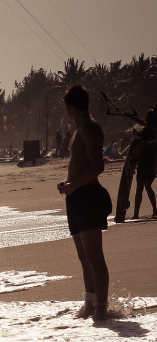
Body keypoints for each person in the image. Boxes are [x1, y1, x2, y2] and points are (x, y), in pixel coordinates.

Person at [57, 85, 112, 322]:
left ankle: (101, 306)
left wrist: (74, 185)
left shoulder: (89, 128)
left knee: (94, 256)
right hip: (77, 196)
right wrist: (68, 184)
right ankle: (90, 301)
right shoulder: (80, 128)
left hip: (87, 196)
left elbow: (97, 165)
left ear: (69, 106)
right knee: (83, 256)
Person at [135, 107, 157, 218]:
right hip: (143, 160)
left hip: (151, 160)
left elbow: (154, 143)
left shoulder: (154, 127)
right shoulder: (148, 127)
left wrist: (146, 143)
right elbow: (142, 122)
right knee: (139, 188)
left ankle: (155, 211)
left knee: (147, 186)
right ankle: (136, 214)